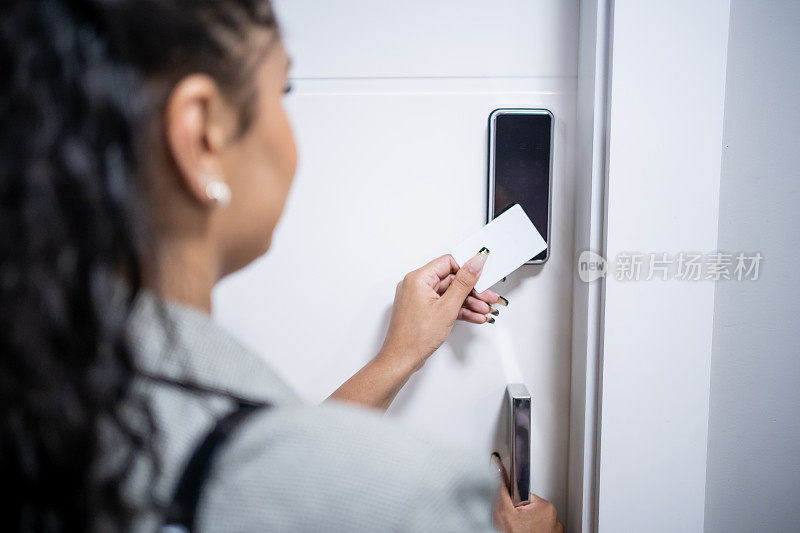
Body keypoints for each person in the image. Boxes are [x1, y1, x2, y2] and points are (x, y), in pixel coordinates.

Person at [0, 1, 564, 531]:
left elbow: (254, 455)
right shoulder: (416, 500)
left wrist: (401, 355)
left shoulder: (55, 391)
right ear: (201, 137)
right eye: (283, 89)